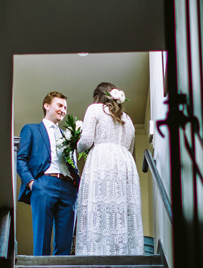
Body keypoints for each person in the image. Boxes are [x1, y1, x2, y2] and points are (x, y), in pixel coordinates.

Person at [73, 82, 146, 256]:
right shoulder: (127, 118)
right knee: (120, 208)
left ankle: (96, 253)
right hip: (124, 163)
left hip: (102, 161)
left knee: (99, 205)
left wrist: (75, 145)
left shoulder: (95, 109)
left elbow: (87, 140)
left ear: (97, 96)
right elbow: (130, 146)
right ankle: (123, 252)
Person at [15, 91, 78, 256]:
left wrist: (76, 183)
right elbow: (20, 159)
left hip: (67, 186)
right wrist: (32, 183)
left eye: (65, 107)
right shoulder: (31, 129)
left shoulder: (67, 135)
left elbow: (71, 162)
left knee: (65, 239)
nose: (63, 110)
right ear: (47, 105)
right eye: (59, 105)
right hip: (43, 184)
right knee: (42, 235)